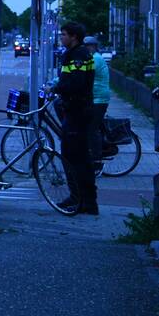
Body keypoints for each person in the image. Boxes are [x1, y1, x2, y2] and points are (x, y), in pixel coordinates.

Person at [52, 21, 98, 215]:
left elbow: (76, 83)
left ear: (74, 37)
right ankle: (79, 198)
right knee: (74, 156)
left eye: (64, 34)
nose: (61, 37)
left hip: (77, 111)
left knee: (75, 157)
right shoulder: (75, 54)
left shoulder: (78, 55)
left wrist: (54, 88)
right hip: (75, 110)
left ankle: (84, 202)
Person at [83, 36, 111, 169]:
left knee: (91, 130)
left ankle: (97, 162)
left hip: (98, 99)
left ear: (94, 47)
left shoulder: (95, 59)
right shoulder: (93, 58)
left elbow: (82, 76)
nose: (86, 48)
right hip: (94, 97)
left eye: (88, 46)